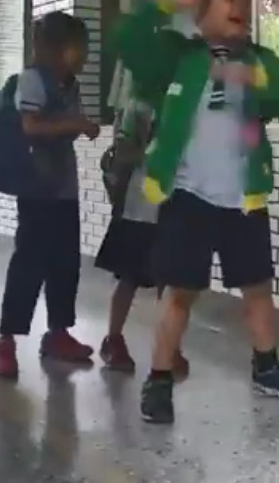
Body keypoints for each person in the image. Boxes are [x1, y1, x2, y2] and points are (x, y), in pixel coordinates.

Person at [113, 0, 279, 425]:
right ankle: (159, 379)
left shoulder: (259, 60)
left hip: (244, 198)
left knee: (257, 287)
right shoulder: (177, 58)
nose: (240, 5)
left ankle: (267, 367)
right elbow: (127, 39)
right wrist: (169, 3)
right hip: (187, 195)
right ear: (201, 10)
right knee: (180, 292)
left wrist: (252, 76)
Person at [0, 11, 102, 379]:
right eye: (81, 47)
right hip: (36, 188)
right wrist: (77, 123)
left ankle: (58, 333)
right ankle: (6, 341)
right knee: (29, 262)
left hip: (63, 188)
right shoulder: (33, 80)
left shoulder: (69, 84)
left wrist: (78, 126)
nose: (85, 55)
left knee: (65, 262)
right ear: (61, 48)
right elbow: (31, 125)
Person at [95, 92, 189, 375]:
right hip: (140, 205)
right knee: (129, 277)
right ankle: (113, 339)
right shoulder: (139, 104)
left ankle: (169, 345)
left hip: (175, 204)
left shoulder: (186, 97)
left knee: (169, 281)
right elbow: (123, 153)